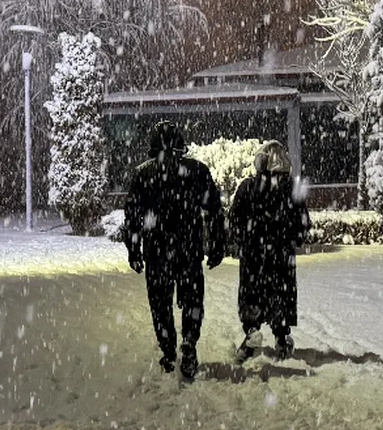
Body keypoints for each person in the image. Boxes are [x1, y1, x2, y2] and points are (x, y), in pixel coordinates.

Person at [124, 120, 226, 379]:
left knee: (160, 304)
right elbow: (214, 210)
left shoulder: (143, 174)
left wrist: (134, 250)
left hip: (157, 251)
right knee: (192, 300)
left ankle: (169, 352)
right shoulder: (197, 171)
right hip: (189, 248)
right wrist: (216, 244)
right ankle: (189, 343)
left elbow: (133, 218)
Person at [228, 140, 311, 361]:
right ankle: (282, 337)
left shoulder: (247, 187)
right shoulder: (292, 189)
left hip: (253, 256)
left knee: (251, 294)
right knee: (281, 295)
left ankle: (251, 334)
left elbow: (235, 221)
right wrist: (291, 238)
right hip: (281, 256)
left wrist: (243, 240)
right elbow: (302, 225)